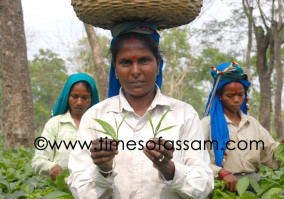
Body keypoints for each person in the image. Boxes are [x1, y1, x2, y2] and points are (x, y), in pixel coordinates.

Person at [67, 22, 214, 199]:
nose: (135, 71)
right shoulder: (95, 116)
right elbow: (79, 189)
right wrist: (103, 169)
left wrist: (169, 169)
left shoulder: (183, 114)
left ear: (158, 64)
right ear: (115, 69)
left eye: (144, 60)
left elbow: (204, 185)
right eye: (126, 62)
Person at [201, 62, 284, 192]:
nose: (236, 99)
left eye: (240, 94)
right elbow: (194, 159)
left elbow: (271, 155)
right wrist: (220, 172)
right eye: (230, 95)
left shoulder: (252, 124)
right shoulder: (207, 124)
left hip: (253, 187)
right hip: (220, 188)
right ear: (220, 96)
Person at [32, 73, 99, 181]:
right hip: (60, 190)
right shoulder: (55, 124)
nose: (79, 102)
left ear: (92, 98)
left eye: (85, 97)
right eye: (74, 96)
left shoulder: (98, 125)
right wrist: (51, 167)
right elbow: (38, 160)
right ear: (67, 97)